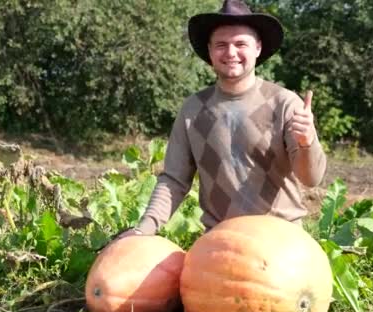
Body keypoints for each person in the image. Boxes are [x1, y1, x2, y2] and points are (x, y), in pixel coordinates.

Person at [121, 0, 326, 238]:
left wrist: (306, 143)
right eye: (221, 44)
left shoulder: (284, 104)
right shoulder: (193, 110)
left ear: (257, 48)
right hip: (220, 242)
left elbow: (311, 178)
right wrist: (144, 230)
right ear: (209, 51)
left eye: (241, 44)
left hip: (281, 240)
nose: (231, 53)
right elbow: (174, 180)